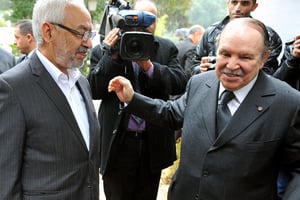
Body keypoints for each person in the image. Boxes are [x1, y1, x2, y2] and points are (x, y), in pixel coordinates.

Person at [108, 18, 300, 200]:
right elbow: (171, 113)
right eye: (225, 54)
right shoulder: (199, 83)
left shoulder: (288, 103)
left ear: (264, 58)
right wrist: (132, 98)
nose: (232, 65)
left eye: (245, 57)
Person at [0, 0, 100, 199]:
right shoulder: (13, 87)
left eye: (90, 34)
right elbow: (5, 181)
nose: (88, 43)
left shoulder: (81, 82)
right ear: (48, 32)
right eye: (81, 33)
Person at [88, 0, 187, 199]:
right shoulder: (105, 50)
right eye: (137, 18)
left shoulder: (166, 48)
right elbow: (93, 89)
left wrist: (149, 66)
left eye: (150, 20)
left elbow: (180, 83)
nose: (143, 25)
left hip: (152, 144)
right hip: (118, 144)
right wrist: (112, 56)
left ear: (156, 23)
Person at [194, 0, 282, 75]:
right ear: (228, 3)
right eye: (234, 2)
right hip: (213, 88)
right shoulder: (210, 33)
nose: (238, 8)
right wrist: (201, 69)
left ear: (254, 6)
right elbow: (194, 65)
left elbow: (269, 73)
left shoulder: (269, 36)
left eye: (244, 3)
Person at [273, 34, 300, 199]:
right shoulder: (291, 49)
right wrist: (293, 60)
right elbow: (275, 86)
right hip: (289, 133)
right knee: (280, 188)